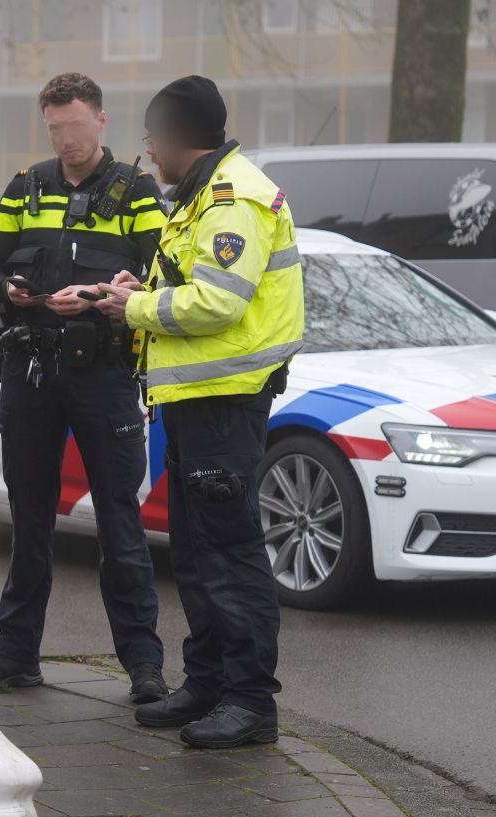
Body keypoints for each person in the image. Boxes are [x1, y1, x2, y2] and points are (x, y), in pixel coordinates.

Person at [90, 75, 304, 750]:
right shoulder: (203, 197)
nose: (148, 151)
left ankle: (250, 702)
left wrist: (132, 308)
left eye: (153, 138)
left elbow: (218, 305)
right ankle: (208, 682)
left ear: (179, 138)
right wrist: (139, 288)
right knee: (195, 552)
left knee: (230, 555)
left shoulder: (232, 198)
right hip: (194, 403)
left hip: (223, 403)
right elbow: (190, 285)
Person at [0, 73, 168, 705]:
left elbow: (163, 278)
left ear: (101, 121)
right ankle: (16, 655)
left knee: (119, 520)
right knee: (28, 518)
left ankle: (144, 668)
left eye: (76, 127)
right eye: (55, 129)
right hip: (32, 371)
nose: (66, 140)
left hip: (103, 374)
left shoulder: (136, 191)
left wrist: (105, 295)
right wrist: (13, 292)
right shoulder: (25, 188)